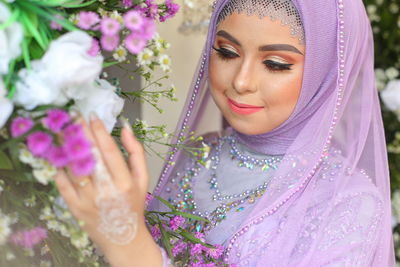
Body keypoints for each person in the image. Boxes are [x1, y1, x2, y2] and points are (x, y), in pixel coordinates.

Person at [54, 0, 396, 266]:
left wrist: (133, 249)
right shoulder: (200, 153)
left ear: (326, 74)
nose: (241, 81)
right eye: (227, 52)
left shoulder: (350, 203)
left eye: (276, 63)